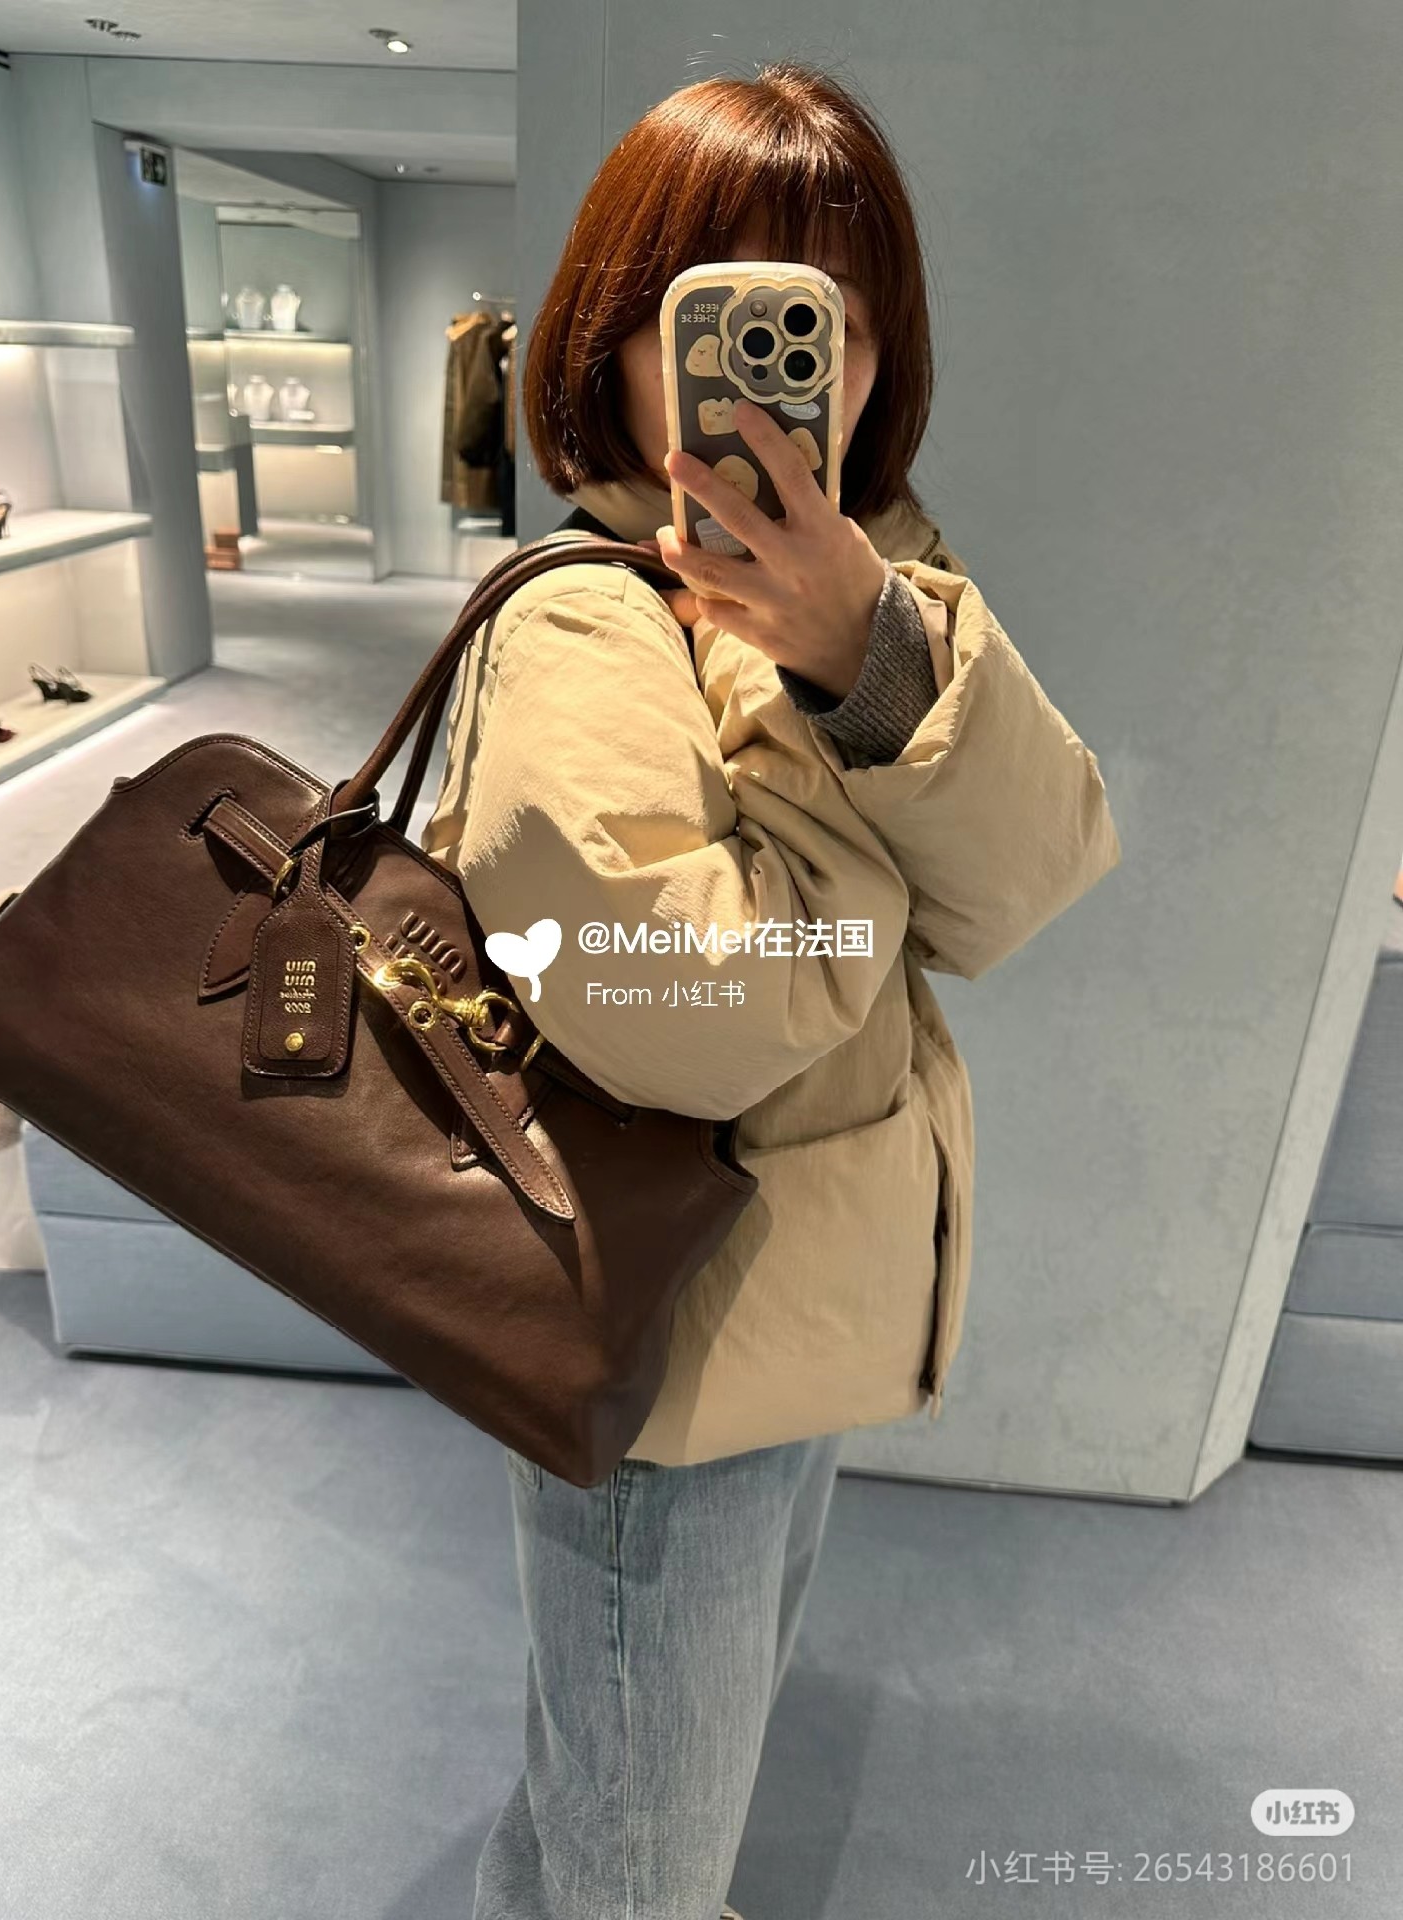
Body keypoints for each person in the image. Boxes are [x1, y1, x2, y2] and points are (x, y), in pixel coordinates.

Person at [420, 59, 1123, 1920]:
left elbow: (1029, 880)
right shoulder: (586, 615)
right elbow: (697, 996)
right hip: (668, 1343)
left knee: (632, 1790)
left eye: (825, 327)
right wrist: (840, 743)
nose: (769, 384)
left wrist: (856, 659)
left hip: (797, 1299)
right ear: (617, 340)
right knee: (639, 1846)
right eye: (712, 320)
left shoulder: (890, 593)